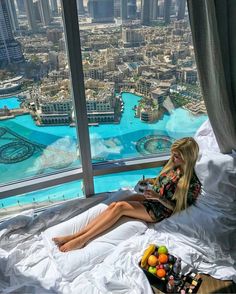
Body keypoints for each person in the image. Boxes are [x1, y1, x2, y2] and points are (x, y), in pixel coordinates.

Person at [53, 137, 201, 252]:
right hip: (151, 198)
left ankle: (82, 240)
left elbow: (177, 208)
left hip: (160, 210)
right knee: (114, 205)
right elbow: (162, 182)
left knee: (121, 207)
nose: (172, 158)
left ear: (187, 157)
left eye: (177, 156)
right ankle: (75, 235)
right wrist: (151, 181)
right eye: (173, 154)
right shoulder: (173, 166)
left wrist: (158, 198)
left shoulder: (192, 183)